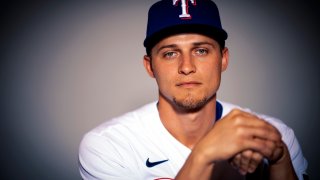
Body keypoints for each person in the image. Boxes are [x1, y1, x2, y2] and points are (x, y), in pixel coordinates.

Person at [79, 0, 308, 179]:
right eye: (170, 53)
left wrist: (279, 161)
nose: (186, 67)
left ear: (223, 59)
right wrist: (204, 154)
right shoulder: (109, 145)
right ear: (150, 66)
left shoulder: (275, 136)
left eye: (201, 51)